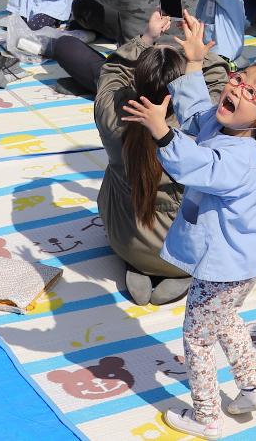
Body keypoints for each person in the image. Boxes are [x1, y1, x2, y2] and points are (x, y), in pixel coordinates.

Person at [117, 11, 256, 438]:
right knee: (227, 322)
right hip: (238, 264)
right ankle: (252, 389)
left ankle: (206, 416)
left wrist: (161, 133)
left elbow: (195, 165)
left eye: (251, 92)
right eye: (239, 78)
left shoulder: (242, 157)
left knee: (196, 339)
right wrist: (193, 63)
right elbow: (195, 112)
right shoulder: (224, 122)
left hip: (224, 267)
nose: (237, 88)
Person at [93, 26, 231, 306]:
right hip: (183, 252)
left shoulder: (112, 114)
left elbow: (111, 72)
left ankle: (139, 264)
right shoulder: (202, 126)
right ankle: (176, 272)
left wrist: (145, 38)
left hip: (123, 239)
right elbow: (218, 83)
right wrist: (198, 55)